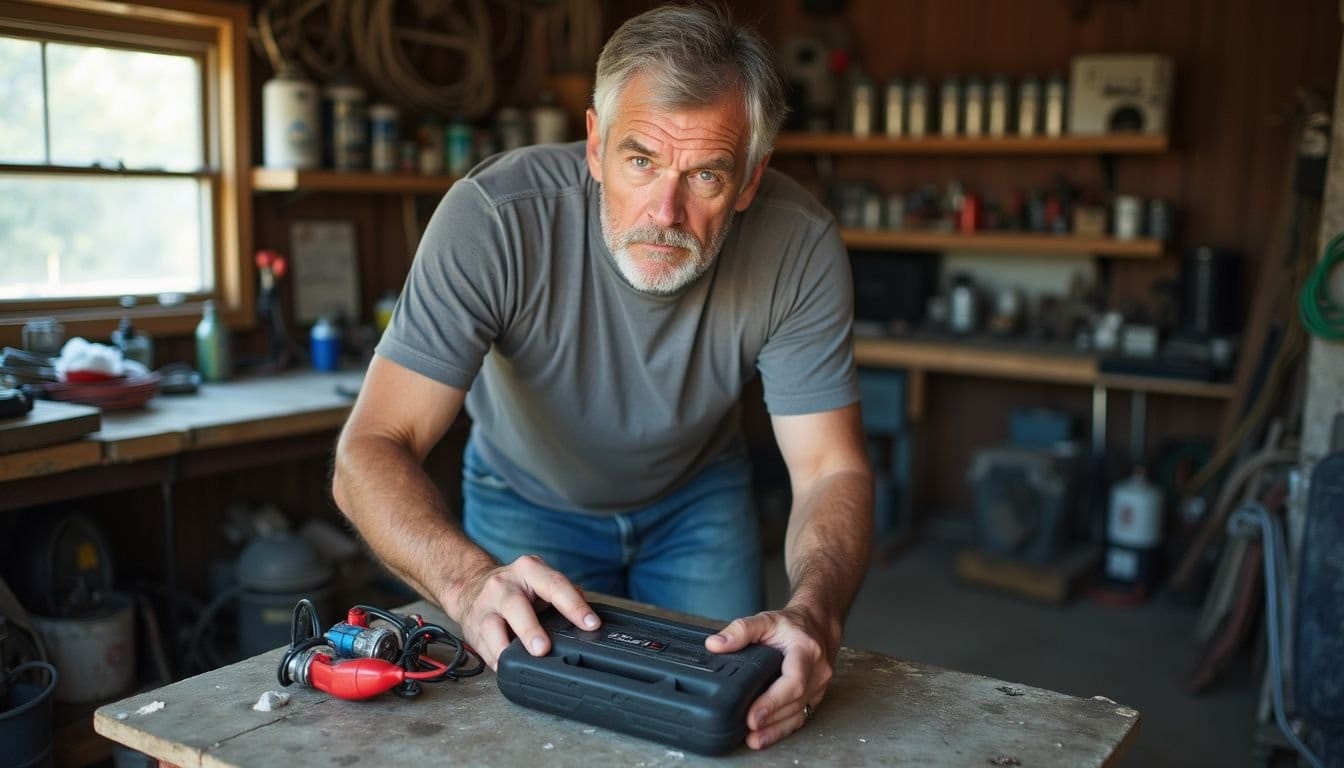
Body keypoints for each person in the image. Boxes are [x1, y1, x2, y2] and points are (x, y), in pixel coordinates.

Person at [332, 2, 872, 750]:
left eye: (706, 175)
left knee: (729, 729)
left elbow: (828, 469)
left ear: (749, 180)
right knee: (521, 739)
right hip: (526, 502)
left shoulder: (799, 245)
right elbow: (370, 448)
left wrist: (817, 615)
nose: (665, 211)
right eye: (640, 160)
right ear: (594, 145)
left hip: (695, 500)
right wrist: (465, 583)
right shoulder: (495, 218)